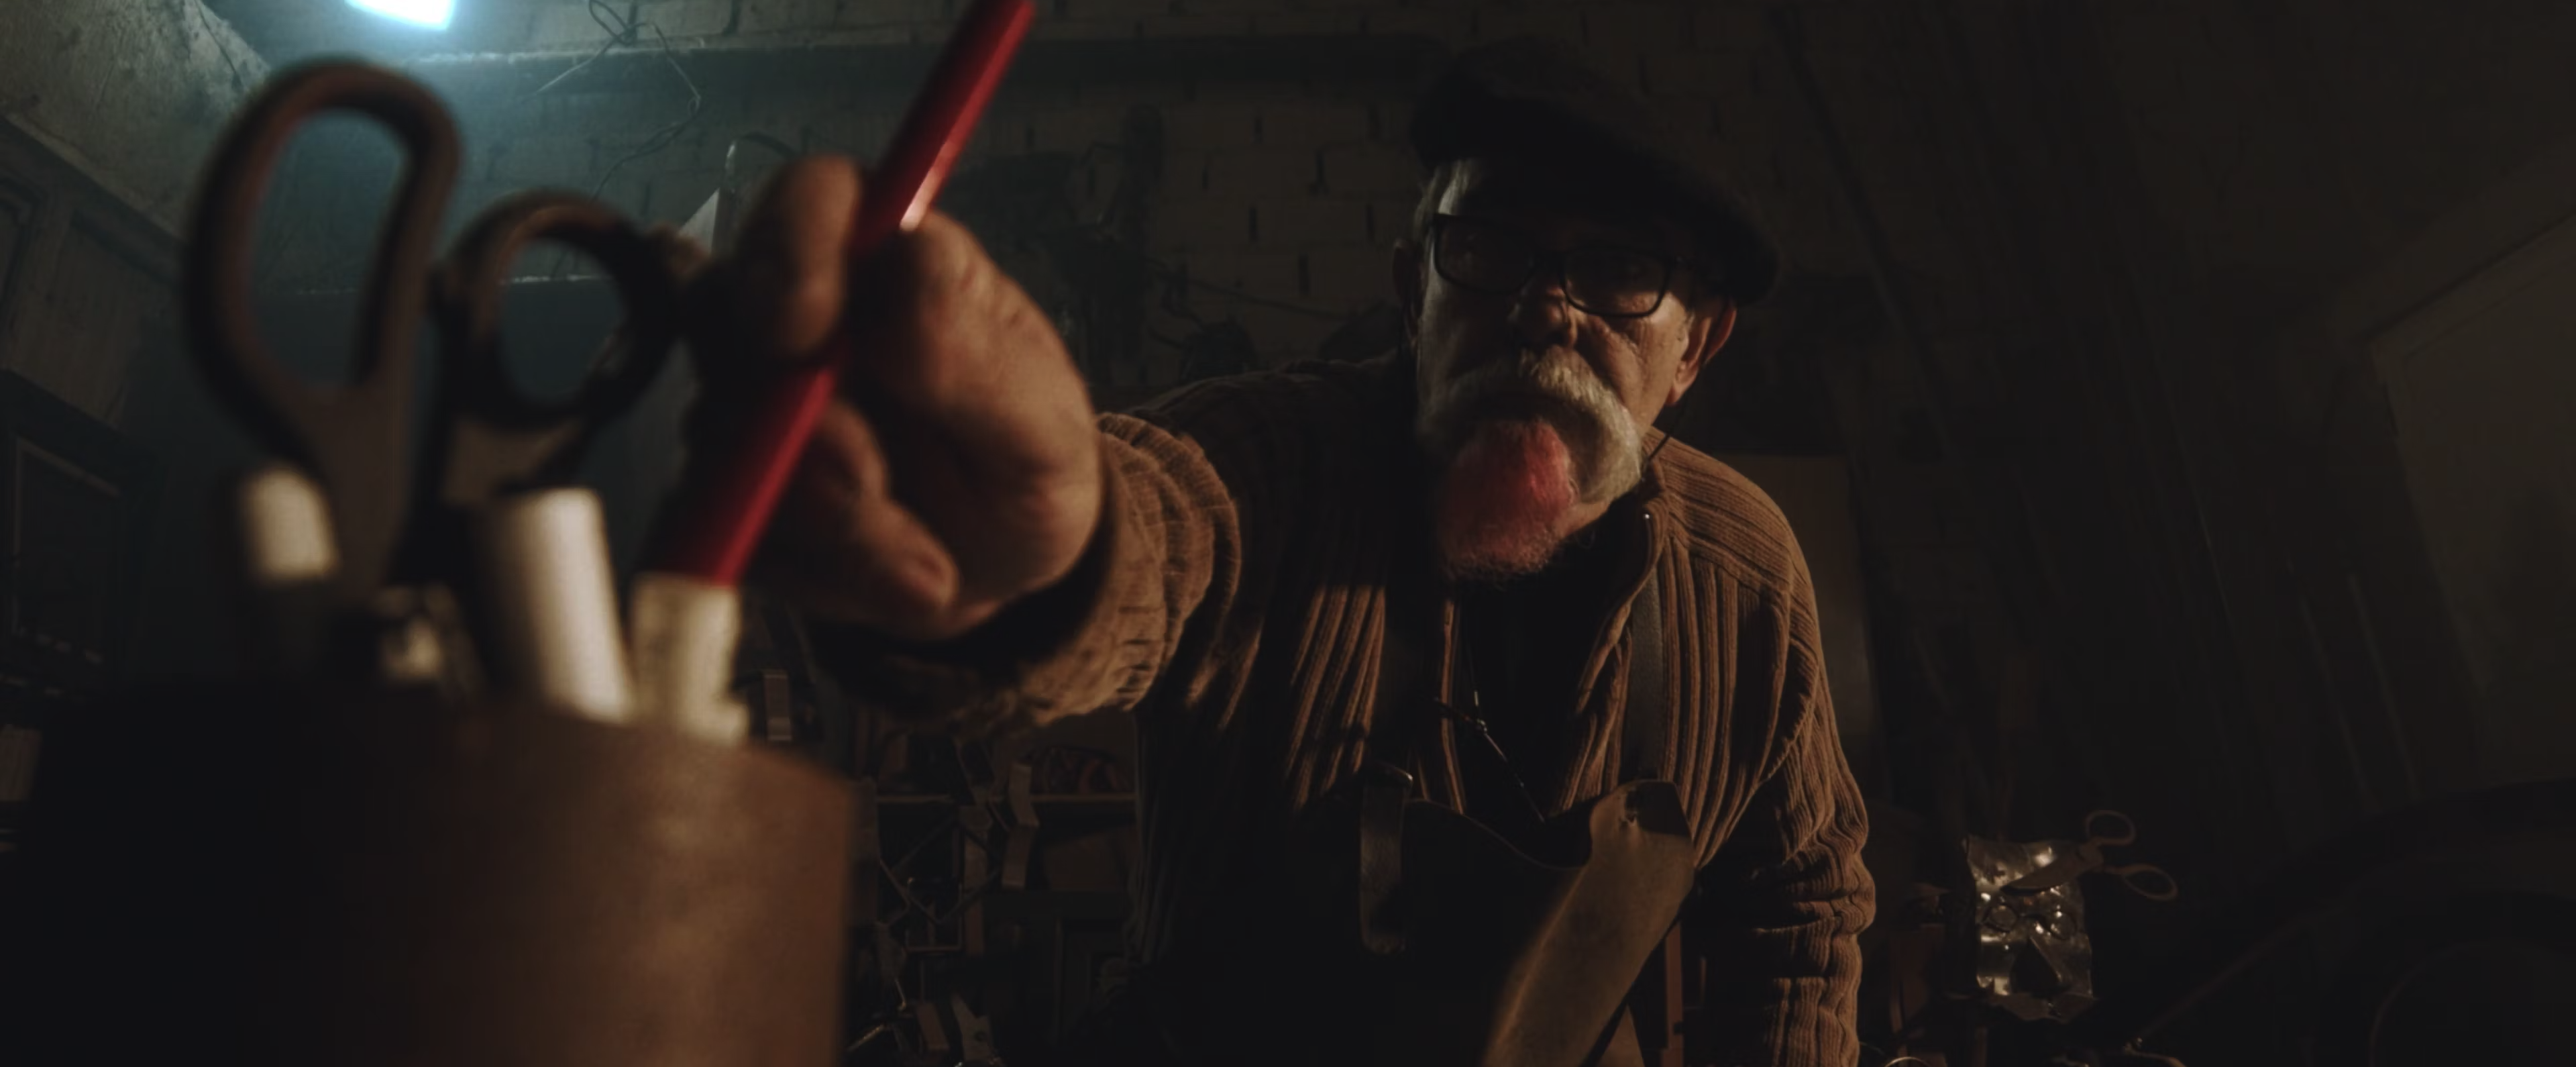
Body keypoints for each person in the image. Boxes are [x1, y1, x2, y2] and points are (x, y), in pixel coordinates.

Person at [684, 36, 1873, 1067]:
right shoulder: (1277, 467)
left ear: (1696, 348)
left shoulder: (1745, 577)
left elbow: (1803, 902)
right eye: (1491, 244)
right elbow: (1147, 523)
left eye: (1619, 271)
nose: (1546, 310)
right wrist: (1032, 552)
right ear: (1413, 293)